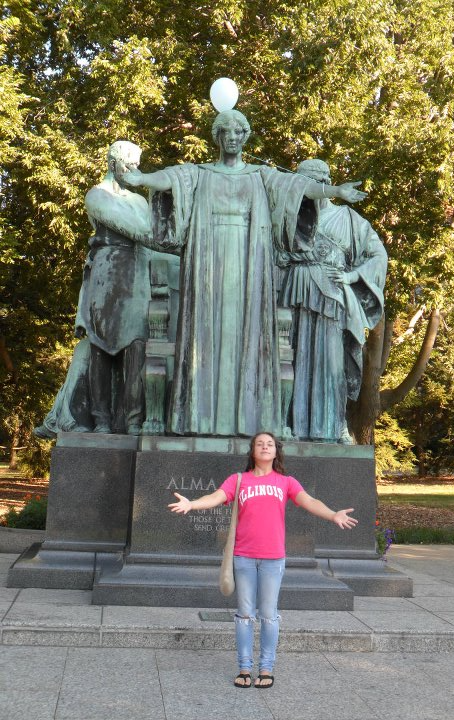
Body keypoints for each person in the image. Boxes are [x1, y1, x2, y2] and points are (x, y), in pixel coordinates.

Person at [123, 110, 366, 438]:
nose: (233, 137)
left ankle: (250, 421)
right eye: (226, 132)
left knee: (248, 337)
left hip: (249, 265)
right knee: (205, 335)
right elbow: (171, 179)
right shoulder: (201, 174)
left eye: (239, 132)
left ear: (246, 136)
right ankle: (200, 419)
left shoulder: (261, 176)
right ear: (218, 137)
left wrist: (334, 191)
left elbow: (297, 187)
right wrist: (141, 179)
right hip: (207, 264)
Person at [168, 431, 358, 688]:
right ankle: (245, 668)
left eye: (269, 444)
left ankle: (266, 668)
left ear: (276, 451)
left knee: (269, 615)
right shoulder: (239, 480)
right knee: (245, 614)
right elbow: (215, 497)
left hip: (273, 559)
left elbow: (310, 501)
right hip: (244, 558)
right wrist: (192, 504)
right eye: (260, 444)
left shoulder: (286, 482)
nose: (265, 447)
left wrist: (333, 514)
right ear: (253, 451)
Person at [277, 159, 387, 443]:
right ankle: (286, 423)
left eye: (311, 184)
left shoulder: (349, 219)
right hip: (295, 289)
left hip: (331, 294)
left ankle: (336, 424)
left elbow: (378, 255)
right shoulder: (287, 217)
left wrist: (352, 277)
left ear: (324, 183)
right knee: (290, 357)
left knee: (332, 361)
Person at [76, 140, 153, 434]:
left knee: (136, 343)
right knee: (100, 344)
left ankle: (133, 420)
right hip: (106, 271)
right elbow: (140, 231)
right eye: (129, 164)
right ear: (112, 163)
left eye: (137, 164)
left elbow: (149, 234)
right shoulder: (97, 195)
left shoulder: (140, 201)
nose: (134, 170)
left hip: (136, 271)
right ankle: (101, 420)